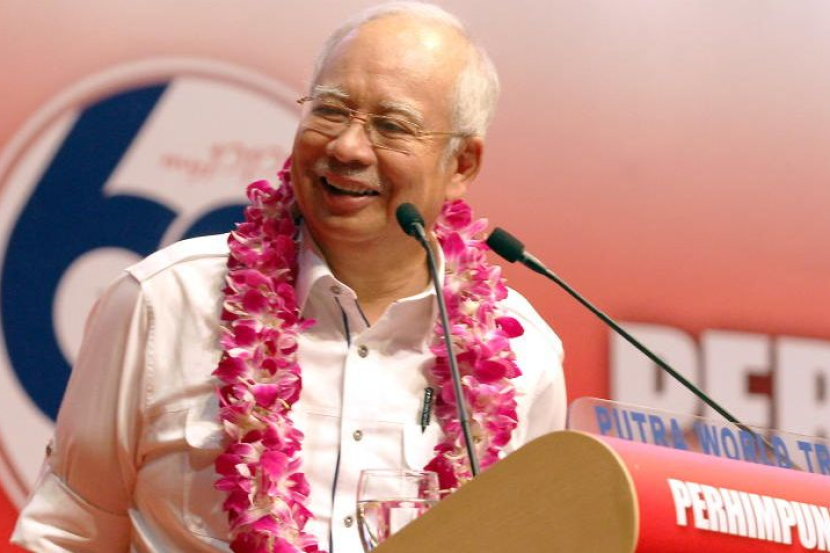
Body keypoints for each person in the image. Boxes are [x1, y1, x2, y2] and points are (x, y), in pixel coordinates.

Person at [12, 2, 566, 552]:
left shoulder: (524, 359)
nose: (347, 147)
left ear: (462, 164)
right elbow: (66, 534)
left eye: (391, 125)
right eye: (331, 110)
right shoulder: (162, 302)